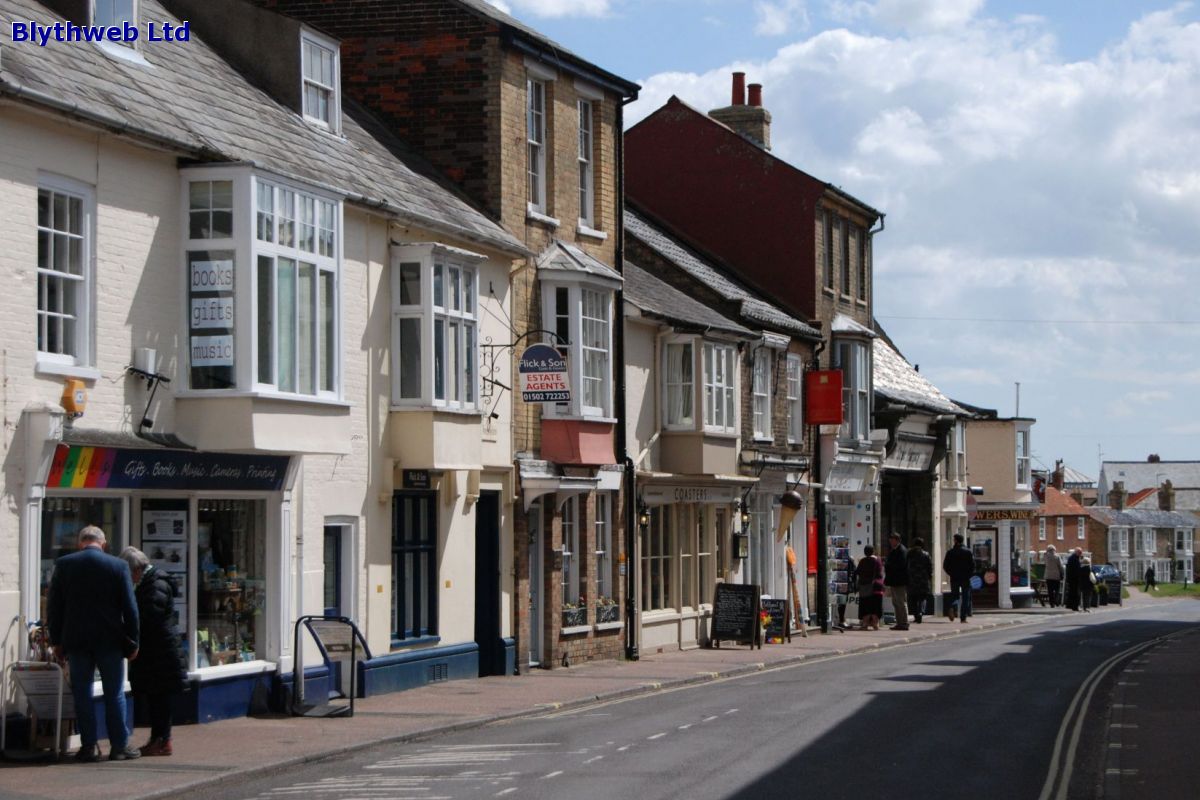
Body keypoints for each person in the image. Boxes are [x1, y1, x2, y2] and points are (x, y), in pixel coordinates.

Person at [47, 526, 141, 762]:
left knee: (82, 693)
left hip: (77, 640)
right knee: (114, 693)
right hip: (110, 640)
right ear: (104, 543)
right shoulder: (118, 566)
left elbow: (54, 607)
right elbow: (131, 609)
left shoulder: (64, 565)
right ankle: (119, 746)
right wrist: (133, 642)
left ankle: (88, 746)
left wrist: (56, 640)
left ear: (81, 543)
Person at [120, 547, 188, 757]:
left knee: (160, 698)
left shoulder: (154, 584)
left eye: (128, 574)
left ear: (137, 570)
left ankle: (161, 741)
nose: (128, 579)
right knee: (157, 697)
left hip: (160, 650)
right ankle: (159, 740)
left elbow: (150, 618)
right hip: (158, 649)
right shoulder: (151, 582)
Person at [943, 533, 974, 622]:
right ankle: (963, 618)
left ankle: (952, 607)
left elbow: (945, 566)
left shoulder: (950, 552)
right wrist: (969, 575)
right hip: (965, 578)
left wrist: (951, 573)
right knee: (965, 598)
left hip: (954, 578)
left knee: (955, 596)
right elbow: (972, 565)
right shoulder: (968, 552)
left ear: (955, 541)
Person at [855, 545, 884, 630]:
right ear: (873, 551)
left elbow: (857, 572)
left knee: (865, 605)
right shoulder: (877, 561)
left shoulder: (862, 561)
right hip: (875, 587)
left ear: (865, 552)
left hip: (864, 587)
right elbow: (880, 573)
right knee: (875, 606)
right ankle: (875, 623)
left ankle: (865, 624)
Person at [884, 533, 910, 630]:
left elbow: (901, 565)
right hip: (894, 580)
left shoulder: (902, 551)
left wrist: (889, 565)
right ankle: (899, 622)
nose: (890, 542)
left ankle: (904, 622)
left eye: (892, 540)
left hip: (899, 581)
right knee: (896, 602)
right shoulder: (894, 550)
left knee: (901, 602)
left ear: (897, 540)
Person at [906, 538, 934, 624]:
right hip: (923, 579)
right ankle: (921, 612)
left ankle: (915, 614)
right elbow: (930, 567)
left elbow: (906, 565)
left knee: (913, 598)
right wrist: (929, 577)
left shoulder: (909, 553)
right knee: (922, 598)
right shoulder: (926, 554)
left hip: (912, 579)